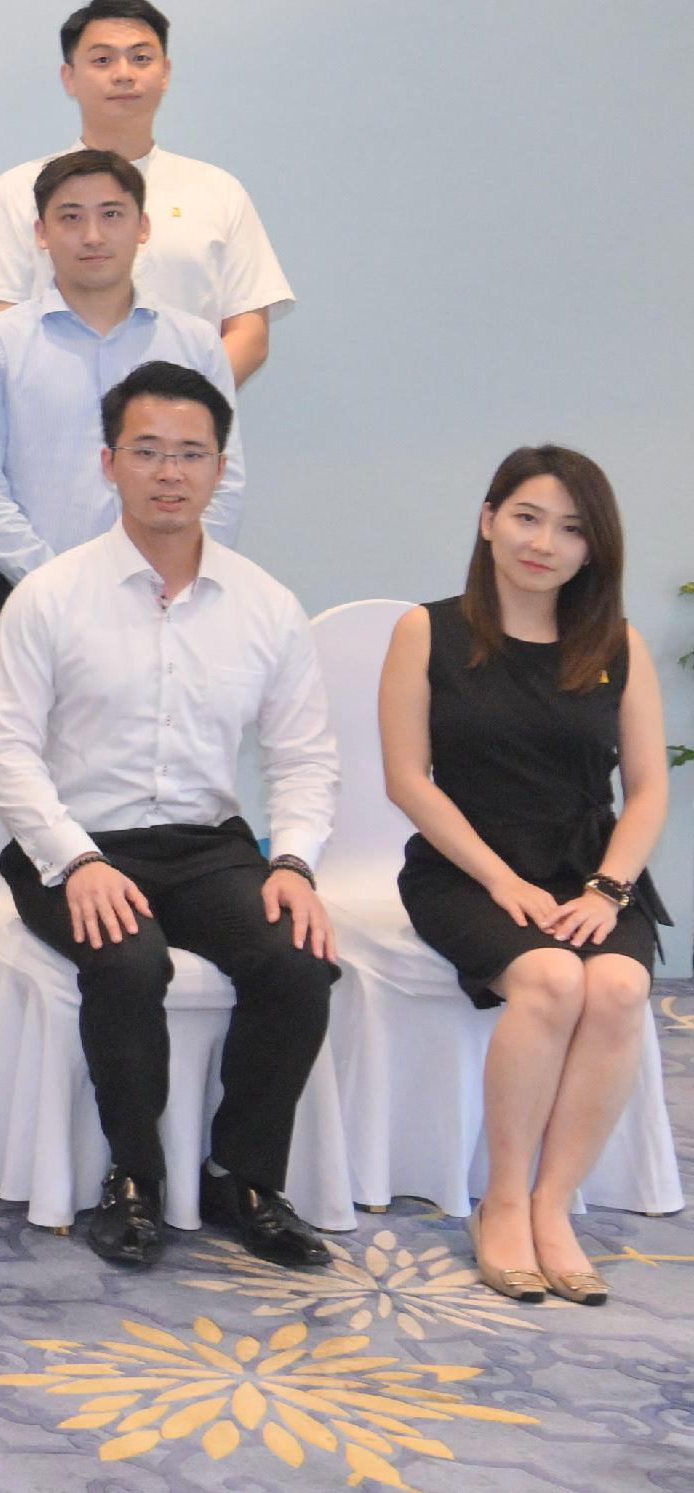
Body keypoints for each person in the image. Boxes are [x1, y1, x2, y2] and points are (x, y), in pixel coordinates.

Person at [0, 361, 339, 1272]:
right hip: (76, 844)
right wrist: (75, 859)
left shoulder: (267, 606)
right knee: (129, 963)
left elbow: (304, 759)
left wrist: (292, 864)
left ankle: (242, 1177)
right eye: (147, 451)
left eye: (190, 453)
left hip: (208, 846)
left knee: (299, 960)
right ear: (109, 462)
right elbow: (7, 751)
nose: (168, 472)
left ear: (220, 467)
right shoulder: (51, 595)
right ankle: (133, 1177)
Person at [379, 445, 666, 1304]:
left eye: (572, 529)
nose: (544, 542)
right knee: (547, 980)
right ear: (489, 519)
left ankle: (552, 1206)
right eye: (528, 517)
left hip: (589, 871)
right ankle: (500, 1201)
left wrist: (609, 889)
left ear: (594, 550)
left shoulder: (616, 643)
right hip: (465, 869)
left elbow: (648, 790)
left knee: (615, 987)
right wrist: (501, 881)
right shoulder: (426, 630)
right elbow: (407, 778)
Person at [0, 148, 244, 623]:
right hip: (35, 600)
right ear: (41, 234)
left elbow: (223, 480)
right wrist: (55, 585)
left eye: (111, 215)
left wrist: (175, 579)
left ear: (143, 227)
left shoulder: (195, 343)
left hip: (173, 603)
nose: (92, 235)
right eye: (70, 217)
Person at [0, 0, 293, 384]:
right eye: (102, 60)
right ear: (69, 77)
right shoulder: (18, 190)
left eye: (141, 58)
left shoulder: (217, 191)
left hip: (183, 433)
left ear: (166, 72)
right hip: (50, 422)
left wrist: (178, 409)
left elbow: (249, 333)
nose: (123, 73)